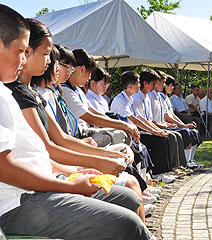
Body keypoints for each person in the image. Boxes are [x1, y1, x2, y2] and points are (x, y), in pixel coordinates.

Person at [0, 5, 153, 239]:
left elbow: (37, 153)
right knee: (128, 224)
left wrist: (72, 173)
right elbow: (7, 165)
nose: (52, 64)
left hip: (39, 187)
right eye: (22, 50)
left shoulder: (11, 93)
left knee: (129, 198)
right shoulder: (13, 94)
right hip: (19, 200)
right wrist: (71, 182)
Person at [61, 48, 140, 147]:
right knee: (119, 135)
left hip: (84, 131)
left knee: (122, 134)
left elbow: (93, 111)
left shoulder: (77, 90)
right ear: (82, 69)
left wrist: (121, 125)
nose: (89, 78)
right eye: (89, 73)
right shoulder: (66, 91)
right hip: (77, 135)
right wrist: (123, 125)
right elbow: (90, 118)